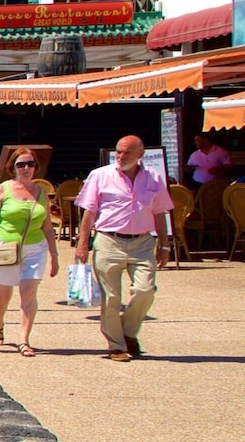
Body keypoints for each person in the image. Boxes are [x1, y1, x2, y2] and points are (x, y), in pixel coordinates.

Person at [74, 135, 174, 362]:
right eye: (118, 152)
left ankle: (128, 331)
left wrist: (165, 245)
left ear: (140, 154)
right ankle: (116, 345)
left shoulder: (154, 177)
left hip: (142, 243)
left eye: (126, 152)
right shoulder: (100, 176)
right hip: (109, 241)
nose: (120, 157)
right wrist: (82, 244)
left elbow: (160, 212)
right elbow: (88, 212)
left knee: (145, 290)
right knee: (110, 297)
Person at [0, 148, 60, 357]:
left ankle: (24, 339)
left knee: (28, 293)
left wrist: (55, 255)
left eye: (30, 164)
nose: (26, 168)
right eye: (21, 164)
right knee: (2, 297)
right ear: (12, 168)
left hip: (34, 248)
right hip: (5, 246)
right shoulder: (2, 190)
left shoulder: (41, 192)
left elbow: (48, 226)